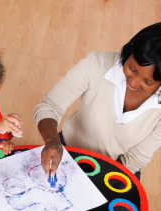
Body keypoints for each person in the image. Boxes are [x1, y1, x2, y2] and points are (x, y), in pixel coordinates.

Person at [35, 23, 161, 179]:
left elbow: (135, 158)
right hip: (66, 149)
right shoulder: (96, 64)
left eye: (148, 82)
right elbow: (50, 107)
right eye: (132, 68)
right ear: (130, 51)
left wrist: (99, 185)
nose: (133, 83)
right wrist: (51, 141)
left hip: (118, 169)